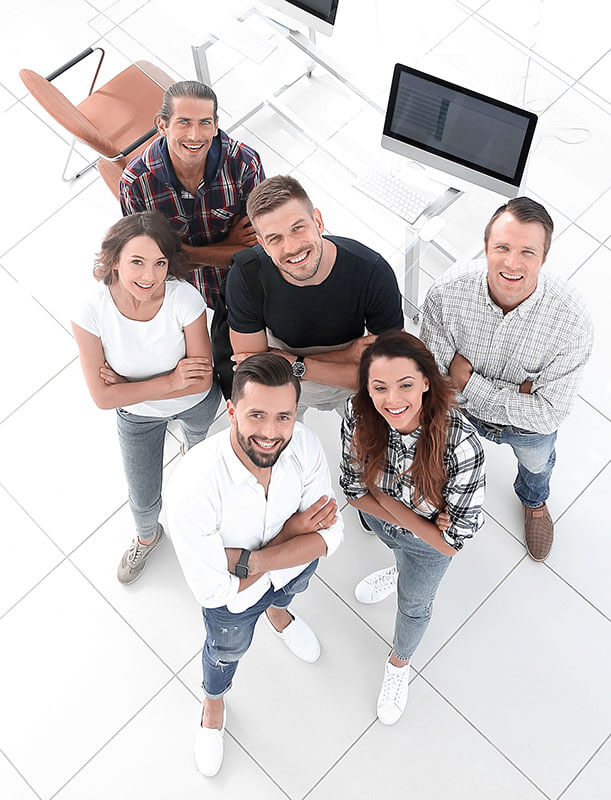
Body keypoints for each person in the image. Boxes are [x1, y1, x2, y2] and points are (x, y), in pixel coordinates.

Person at [166, 353, 343, 776]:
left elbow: (330, 537)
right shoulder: (193, 487)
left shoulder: (303, 444)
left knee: (289, 589)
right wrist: (293, 533)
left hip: (285, 573)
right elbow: (216, 592)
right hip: (234, 606)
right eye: (256, 415)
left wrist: (251, 559)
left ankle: (279, 615)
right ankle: (213, 702)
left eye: (283, 416)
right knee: (226, 651)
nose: (271, 432)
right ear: (231, 411)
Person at [420, 197, 593, 561]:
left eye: (527, 252)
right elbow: (433, 378)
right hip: (456, 411)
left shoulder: (572, 323)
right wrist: (520, 392)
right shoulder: (446, 294)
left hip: (524, 428)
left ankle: (533, 502)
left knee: (537, 464)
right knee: (440, 453)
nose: (512, 263)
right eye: (502, 247)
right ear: (485, 247)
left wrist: (468, 382)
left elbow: (547, 415)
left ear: (543, 258)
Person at [340, 332, 485, 725]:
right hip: (385, 524)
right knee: (397, 547)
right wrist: (420, 520)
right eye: (379, 387)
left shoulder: (461, 444)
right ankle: (398, 568)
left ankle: (399, 663)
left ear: (426, 380)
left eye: (405, 384)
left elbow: (452, 543)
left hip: (425, 546)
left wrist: (389, 503)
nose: (393, 400)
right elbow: (353, 491)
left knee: (415, 605)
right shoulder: (358, 417)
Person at [71, 211, 222, 584]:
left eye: (159, 263)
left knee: (197, 442)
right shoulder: (91, 311)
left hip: (194, 404)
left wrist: (126, 382)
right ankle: (148, 536)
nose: (149, 276)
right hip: (137, 416)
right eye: (136, 262)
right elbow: (103, 399)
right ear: (115, 261)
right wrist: (171, 380)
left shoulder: (184, 297)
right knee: (141, 495)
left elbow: (201, 382)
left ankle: (191, 445)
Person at [225, 175, 404, 419]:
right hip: (285, 387)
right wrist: (347, 356)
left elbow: (386, 376)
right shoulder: (245, 276)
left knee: (368, 454)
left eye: (298, 228)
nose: (291, 247)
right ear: (262, 245)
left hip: (351, 387)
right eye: (274, 238)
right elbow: (259, 376)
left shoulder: (372, 271)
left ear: (318, 221)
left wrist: (295, 365)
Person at [120, 80, 265, 308]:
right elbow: (153, 265)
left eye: (204, 122)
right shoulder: (136, 183)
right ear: (162, 125)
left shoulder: (244, 163)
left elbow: (259, 248)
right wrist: (228, 243)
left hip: (251, 281)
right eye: (184, 123)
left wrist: (184, 253)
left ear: (216, 125)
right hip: (185, 293)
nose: (195, 136)